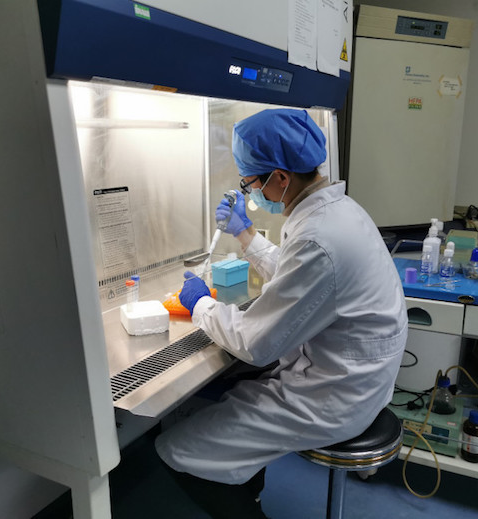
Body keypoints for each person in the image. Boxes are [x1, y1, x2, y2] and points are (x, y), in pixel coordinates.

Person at [155, 108, 408, 518]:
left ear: (280, 178)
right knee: (232, 405)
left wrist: (200, 303)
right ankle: (248, 486)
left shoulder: (319, 237)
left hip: (335, 396)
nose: (250, 191)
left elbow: (256, 344)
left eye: (251, 182)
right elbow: (305, 281)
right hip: (353, 378)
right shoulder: (336, 211)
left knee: (179, 449)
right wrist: (245, 234)